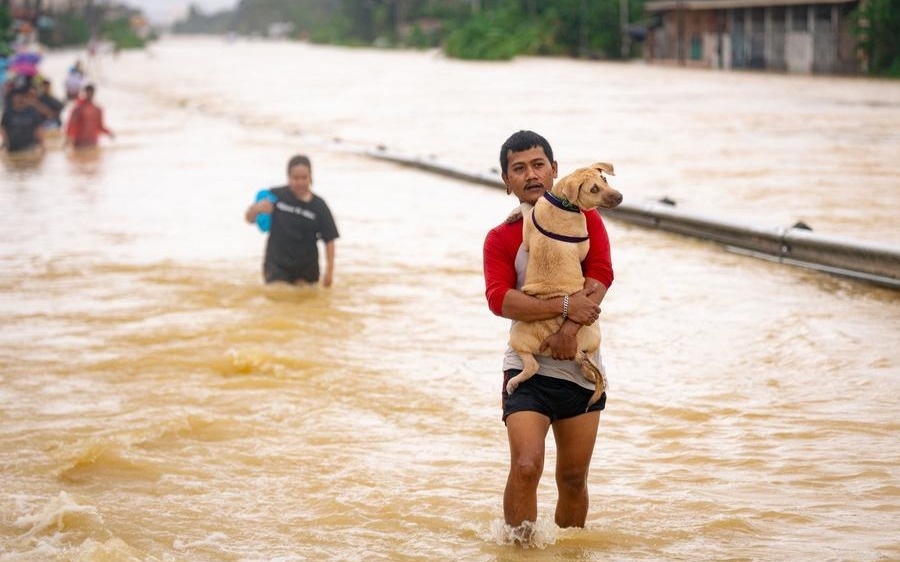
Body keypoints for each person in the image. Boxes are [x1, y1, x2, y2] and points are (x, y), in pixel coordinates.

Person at [482, 130, 614, 542]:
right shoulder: (501, 237)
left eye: (539, 165)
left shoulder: (587, 221)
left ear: (555, 171)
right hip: (528, 367)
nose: (531, 174)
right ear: (507, 181)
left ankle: (570, 552)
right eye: (518, 169)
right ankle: (519, 551)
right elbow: (500, 300)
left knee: (573, 478)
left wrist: (570, 328)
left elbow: (601, 277)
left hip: (579, 367)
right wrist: (561, 308)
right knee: (525, 465)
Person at [244, 155, 339, 287]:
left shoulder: (319, 206)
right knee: (277, 301)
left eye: (304, 178)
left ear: (311, 177)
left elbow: (330, 240)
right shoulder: (275, 196)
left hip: (307, 269)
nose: (300, 182)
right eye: (295, 178)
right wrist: (256, 209)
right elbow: (249, 219)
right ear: (288, 177)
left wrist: (329, 272)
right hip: (276, 266)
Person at [65, 84, 114, 148]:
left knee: (92, 157)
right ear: (84, 93)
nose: (89, 95)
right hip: (79, 142)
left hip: (93, 142)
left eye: (91, 93)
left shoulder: (98, 109)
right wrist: (68, 138)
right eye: (88, 92)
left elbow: (100, 126)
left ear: (94, 93)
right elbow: (71, 124)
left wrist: (109, 133)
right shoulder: (78, 109)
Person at [1, 86, 45, 153]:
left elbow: (39, 129)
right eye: (16, 97)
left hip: (30, 147)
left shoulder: (32, 112)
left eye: (21, 96)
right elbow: (3, 128)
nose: (19, 99)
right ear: (13, 98)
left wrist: (42, 146)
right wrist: (5, 142)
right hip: (12, 148)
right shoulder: (8, 113)